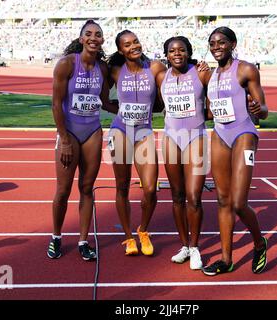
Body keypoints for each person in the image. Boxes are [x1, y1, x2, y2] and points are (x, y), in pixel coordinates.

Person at [47, 20, 117, 261]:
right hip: (69, 132)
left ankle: (83, 240)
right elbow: (56, 104)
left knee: (87, 188)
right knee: (63, 189)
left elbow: (106, 102)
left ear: (102, 40)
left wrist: (132, 109)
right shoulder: (66, 64)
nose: (93, 38)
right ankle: (56, 236)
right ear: (81, 39)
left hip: (92, 131)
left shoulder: (103, 68)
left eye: (98, 35)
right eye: (88, 34)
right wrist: (64, 138)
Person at [202, 26, 269, 276]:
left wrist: (257, 109)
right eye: (212, 43)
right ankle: (226, 259)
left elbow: (264, 109)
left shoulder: (246, 69)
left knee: (239, 203)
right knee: (223, 200)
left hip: (244, 134)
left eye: (221, 42)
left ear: (232, 44)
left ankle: (260, 243)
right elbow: (210, 113)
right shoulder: (210, 76)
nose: (216, 47)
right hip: (220, 134)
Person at [107, 30, 167, 256]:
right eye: (127, 44)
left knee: (151, 189)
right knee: (122, 187)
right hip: (120, 130)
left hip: (144, 133)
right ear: (121, 50)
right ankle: (129, 237)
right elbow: (102, 98)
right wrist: (119, 110)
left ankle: (143, 230)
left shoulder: (155, 68)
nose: (133, 46)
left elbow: (165, 98)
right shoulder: (114, 70)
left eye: (136, 42)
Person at [156, 36, 211, 270]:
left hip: (196, 137)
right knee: (177, 196)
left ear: (189, 52)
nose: (176, 53)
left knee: (194, 196)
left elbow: (216, 101)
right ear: (166, 55)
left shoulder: (201, 73)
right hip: (170, 138)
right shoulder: (161, 76)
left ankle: (196, 247)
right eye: (171, 50)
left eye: (181, 50)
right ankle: (185, 245)